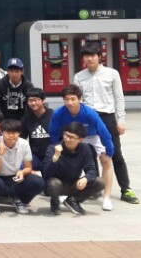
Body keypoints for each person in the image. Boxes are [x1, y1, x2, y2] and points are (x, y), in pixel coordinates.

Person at [73, 42, 138, 207]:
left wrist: (121, 121)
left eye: (92, 55)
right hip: (88, 117)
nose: (89, 59)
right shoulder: (79, 77)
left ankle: (126, 189)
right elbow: (77, 100)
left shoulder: (112, 74)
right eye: (86, 56)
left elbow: (119, 97)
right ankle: (95, 187)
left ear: (99, 56)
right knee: (90, 154)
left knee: (115, 154)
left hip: (107, 116)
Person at [49, 84, 117, 212]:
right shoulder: (59, 113)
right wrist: (57, 147)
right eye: (67, 99)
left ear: (80, 99)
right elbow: (53, 133)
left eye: (73, 99)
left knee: (107, 161)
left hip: (91, 136)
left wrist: (109, 152)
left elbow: (104, 132)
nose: (70, 102)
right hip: (70, 137)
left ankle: (107, 197)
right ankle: (65, 191)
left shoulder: (89, 113)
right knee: (64, 160)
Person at [0, 118, 45, 216]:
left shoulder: (24, 143)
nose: (11, 135)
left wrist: (22, 172)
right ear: (2, 132)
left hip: (15, 178)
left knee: (39, 182)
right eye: (8, 132)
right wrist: (0, 155)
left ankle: (20, 201)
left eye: (14, 132)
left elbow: (28, 168)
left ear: (19, 133)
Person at [42, 121, 105, 215]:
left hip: (74, 183)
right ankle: (55, 204)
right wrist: (55, 158)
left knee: (100, 182)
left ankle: (73, 200)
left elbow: (92, 169)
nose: (67, 139)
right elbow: (46, 173)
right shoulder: (53, 148)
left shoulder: (85, 148)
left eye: (71, 137)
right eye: (66, 135)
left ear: (80, 139)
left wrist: (86, 179)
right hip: (56, 185)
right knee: (54, 183)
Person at [20, 88, 53, 170]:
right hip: (34, 156)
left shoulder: (53, 115)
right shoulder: (26, 118)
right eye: (30, 100)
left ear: (43, 100)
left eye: (36, 100)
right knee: (23, 167)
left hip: (52, 154)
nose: (33, 103)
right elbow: (21, 138)